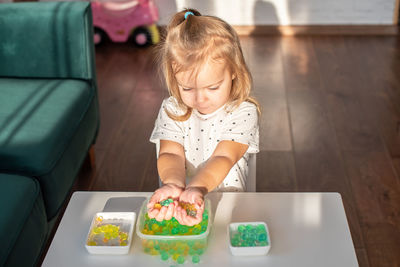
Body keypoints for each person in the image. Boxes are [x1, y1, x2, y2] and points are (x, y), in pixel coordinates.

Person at [147, 8, 260, 226]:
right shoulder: (173, 109)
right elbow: (170, 152)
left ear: (234, 71)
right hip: (182, 208)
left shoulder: (243, 112)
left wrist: (196, 188)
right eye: (187, 89)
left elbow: (223, 158)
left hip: (230, 204)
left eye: (213, 87)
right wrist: (173, 185)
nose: (200, 99)